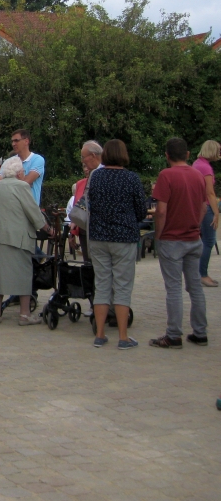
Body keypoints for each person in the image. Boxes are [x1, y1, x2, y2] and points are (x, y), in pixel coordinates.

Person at [87, 140, 147, 349]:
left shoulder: (96, 178)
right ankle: (123, 336)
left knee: (102, 285)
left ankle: (100, 334)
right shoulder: (131, 178)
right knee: (122, 286)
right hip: (124, 237)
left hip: (99, 236)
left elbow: (89, 204)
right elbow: (141, 209)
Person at [149, 138, 208, 349]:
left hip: (172, 239)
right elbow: (203, 206)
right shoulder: (198, 176)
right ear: (188, 154)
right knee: (195, 288)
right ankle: (200, 332)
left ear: (167, 156)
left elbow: (162, 211)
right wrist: (195, 226)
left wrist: (159, 235)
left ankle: (174, 334)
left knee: (173, 289)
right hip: (193, 238)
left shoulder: (166, 176)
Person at [0, 156, 53, 326]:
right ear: (18, 172)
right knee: (23, 273)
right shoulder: (22, 186)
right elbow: (33, 212)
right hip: (17, 237)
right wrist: (49, 229)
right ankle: (24, 314)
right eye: (22, 170)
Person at [70, 141, 104, 262]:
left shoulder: (102, 174)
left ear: (93, 156)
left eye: (83, 157)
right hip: (85, 228)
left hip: (100, 231)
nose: (82, 161)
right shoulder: (82, 182)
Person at [193, 140, 220, 287]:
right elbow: (210, 192)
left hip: (197, 206)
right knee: (209, 241)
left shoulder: (197, 164)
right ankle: (202, 274)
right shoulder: (206, 168)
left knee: (202, 241)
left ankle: (198, 273)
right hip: (206, 207)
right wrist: (217, 213)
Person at [0, 129, 46, 205]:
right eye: (12, 141)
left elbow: (25, 183)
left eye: (16, 140)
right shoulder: (9, 161)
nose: (13, 144)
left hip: (30, 208)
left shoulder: (37, 159)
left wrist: (11, 182)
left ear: (26, 141)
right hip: (12, 208)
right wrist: (22, 180)